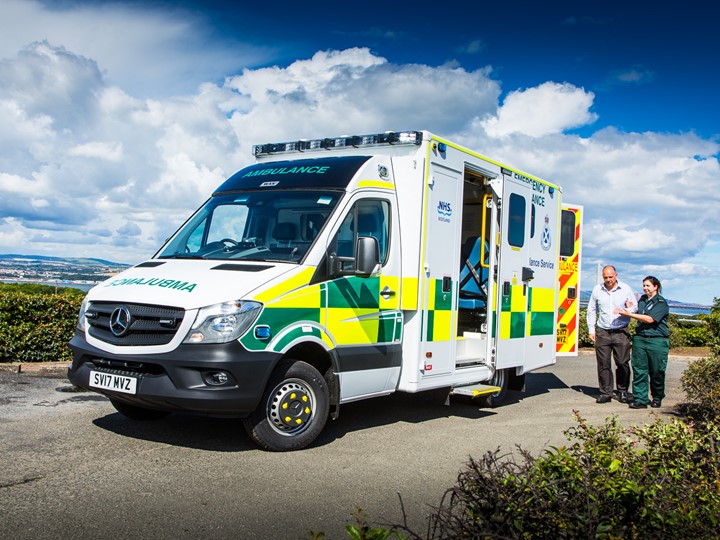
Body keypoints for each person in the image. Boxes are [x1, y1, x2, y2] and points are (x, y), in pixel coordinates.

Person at [615, 276, 670, 409]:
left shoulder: (661, 302)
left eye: (648, 286)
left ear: (656, 286)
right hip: (640, 339)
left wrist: (629, 314)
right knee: (639, 370)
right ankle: (640, 399)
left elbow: (650, 319)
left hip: (657, 340)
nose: (645, 288)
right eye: (644, 285)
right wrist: (630, 307)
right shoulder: (643, 300)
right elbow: (635, 308)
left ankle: (657, 396)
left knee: (657, 371)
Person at [586, 265, 636, 403]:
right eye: (605, 277)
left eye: (610, 277)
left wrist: (626, 309)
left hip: (620, 331)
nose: (608, 280)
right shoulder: (597, 289)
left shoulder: (625, 289)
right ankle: (606, 392)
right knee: (603, 363)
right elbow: (591, 309)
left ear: (616, 275)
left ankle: (623, 391)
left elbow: (634, 306)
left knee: (622, 362)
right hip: (603, 331)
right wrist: (591, 329)